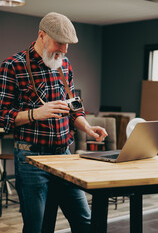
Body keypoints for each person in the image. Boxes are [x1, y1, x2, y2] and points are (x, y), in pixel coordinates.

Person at [0, 12, 107, 233]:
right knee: (36, 227)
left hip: (63, 156)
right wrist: (35, 114)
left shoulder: (64, 64)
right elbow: (2, 114)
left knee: (85, 222)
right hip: (31, 159)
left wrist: (87, 127)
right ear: (42, 35)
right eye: (60, 43)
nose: (65, 50)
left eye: (67, 45)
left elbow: (74, 107)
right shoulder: (12, 66)